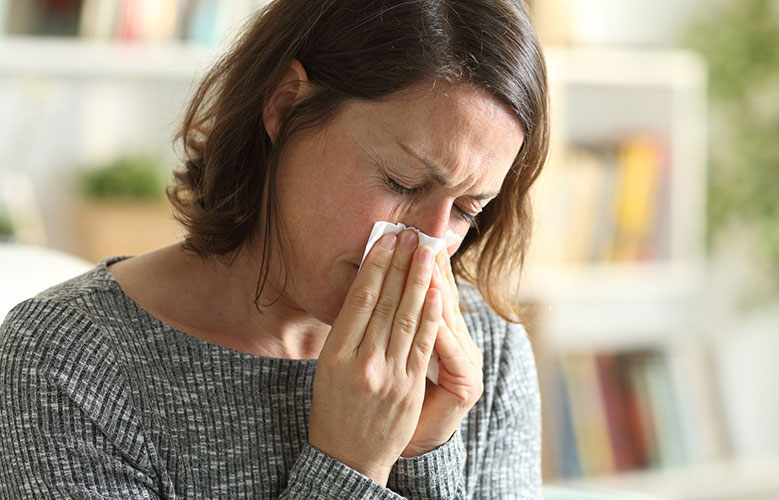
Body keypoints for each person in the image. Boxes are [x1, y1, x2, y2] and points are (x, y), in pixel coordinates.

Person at [0, 0, 549, 498]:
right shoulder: (67, 365)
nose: (427, 246)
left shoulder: (484, 356)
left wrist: (424, 453)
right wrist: (350, 464)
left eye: (465, 210)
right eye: (403, 182)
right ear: (285, 105)